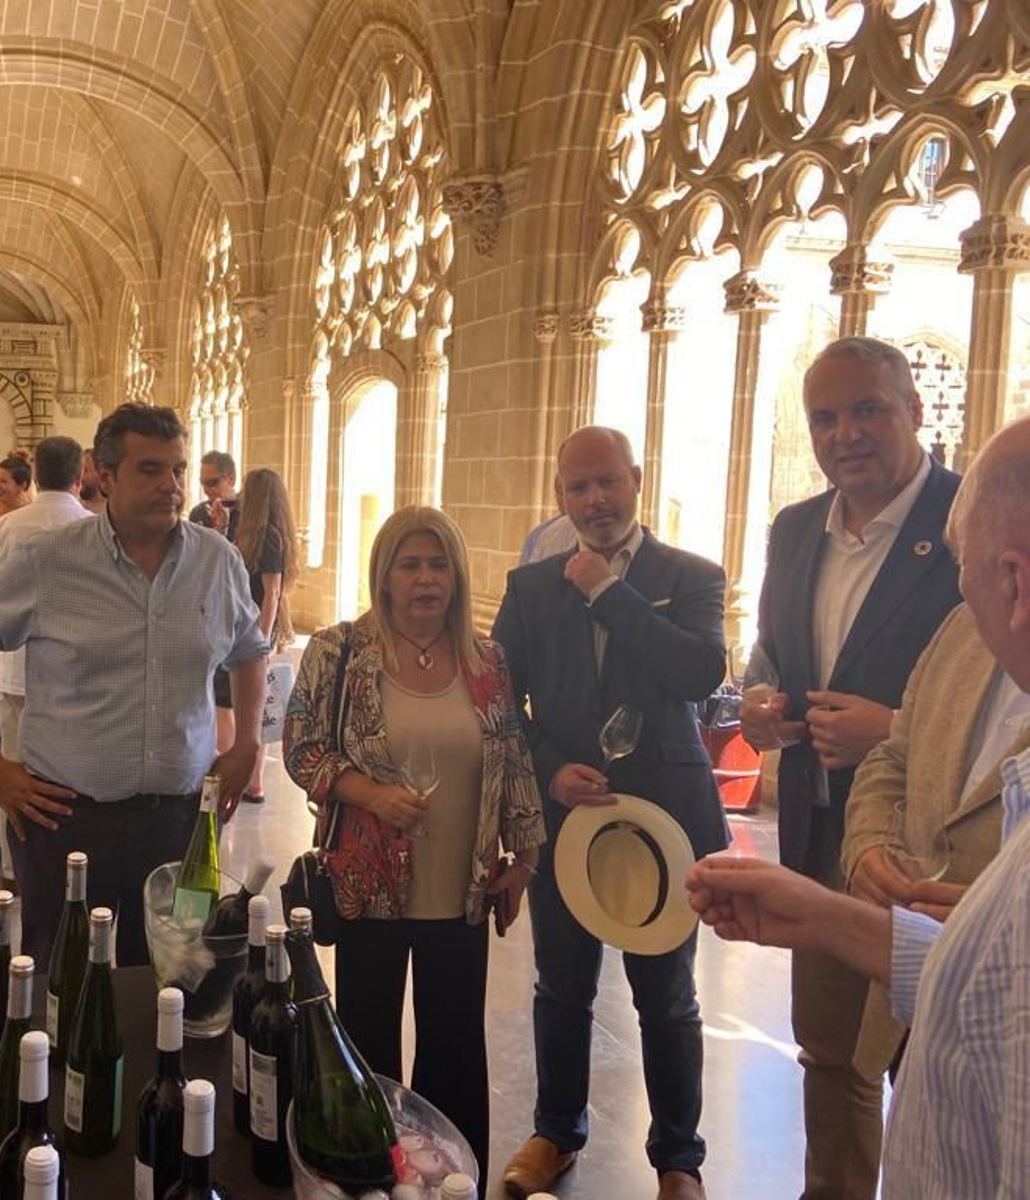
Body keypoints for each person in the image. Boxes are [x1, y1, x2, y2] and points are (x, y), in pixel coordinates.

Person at [688, 415, 1030, 1200]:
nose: (960, 592)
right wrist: (829, 905)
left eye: (964, 570)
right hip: (882, 913)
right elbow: (898, 756)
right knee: (836, 1064)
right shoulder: (960, 636)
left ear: (1013, 583)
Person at [740, 336, 960, 1200]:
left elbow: (1005, 700)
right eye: (825, 418)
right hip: (820, 830)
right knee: (830, 1051)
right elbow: (770, 652)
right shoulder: (797, 529)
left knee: (933, 1055)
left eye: (868, 409)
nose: (846, 434)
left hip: (931, 853)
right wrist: (762, 703)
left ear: (915, 409)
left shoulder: (969, 520)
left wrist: (894, 732)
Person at [0, 404, 268, 967]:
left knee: (173, 974)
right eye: (150, 469)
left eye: (178, 469)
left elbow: (249, 651)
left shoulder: (217, 560)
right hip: (67, 822)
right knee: (63, 977)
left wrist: (249, 741)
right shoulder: (50, 560)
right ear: (105, 477)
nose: (171, 485)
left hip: (181, 821)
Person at [492, 426, 728, 1200]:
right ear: (559, 495)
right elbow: (499, 702)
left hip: (665, 821)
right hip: (569, 821)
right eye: (578, 486)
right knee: (562, 987)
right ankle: (555, 1131)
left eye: (607, 482)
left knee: (667, 997)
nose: (594, 499)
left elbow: (697, 671)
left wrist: (606, 591)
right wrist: (548, 770)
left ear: (636, 479)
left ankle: (678, 1160)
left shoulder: (690, 575)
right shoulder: (530, 587)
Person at [284, 506, 544, 1190]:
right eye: (410, 565)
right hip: (368, 884)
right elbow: (301, 748)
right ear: (385, 576)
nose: (426, 579)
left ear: (456, 576)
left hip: (463, 887)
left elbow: (514, 756)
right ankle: (371, 1179)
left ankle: (455, 1185)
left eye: (438, 564)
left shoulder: (487, 660)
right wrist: (369, 793)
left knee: (455, 1048)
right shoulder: (341, 651)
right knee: (367, 1046)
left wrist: (524, 860)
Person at [836, 603, 1023, 1078]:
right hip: (916, 1005)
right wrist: (869, 843)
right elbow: (895, 757)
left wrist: (1005, 924)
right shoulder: (964, 624)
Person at [0, 435, 95, 887]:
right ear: (80, 476)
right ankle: (73, 866)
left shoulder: (8, 525)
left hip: (16, 668)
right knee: (74, 778)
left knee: (14, 774)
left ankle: (14, 870)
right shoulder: (95, 527)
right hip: (77, 674)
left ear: (36, 476)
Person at [213, 466, 299, 804]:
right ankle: (249, 779)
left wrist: (260, 642)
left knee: (240, 701)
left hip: (252, 629)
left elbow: (272, 593)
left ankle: (249, 779)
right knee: (238, 700)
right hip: (240, 624)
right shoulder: (248, 530)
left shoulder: (267, 537)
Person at [188, 449, 240, 540]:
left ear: (230, 480)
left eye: (212, 482)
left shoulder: (246, 514)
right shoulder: (198, 514)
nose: (205, 489)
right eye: (202, 482)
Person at [77, 448, 106, 516]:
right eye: (79, 471)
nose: (80, 477)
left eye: (85, 470)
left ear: (100, 473)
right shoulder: (74, 508)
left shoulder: (116, 511)